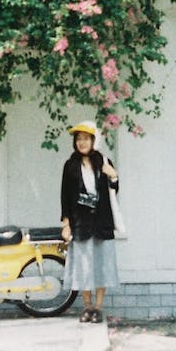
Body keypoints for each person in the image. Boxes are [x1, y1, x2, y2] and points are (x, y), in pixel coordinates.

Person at [60, 120, 121, 323]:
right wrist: (66, 224)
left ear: (94, 140)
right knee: (83, 267)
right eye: (78, 139)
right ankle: (87, 307)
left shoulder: (104, 161)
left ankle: (98, 307)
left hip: (102, 222)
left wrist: (113, 176)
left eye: (86, 138)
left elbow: (114, 188)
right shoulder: (70, 165)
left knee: (101, 265)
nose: (82, 142)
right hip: (81, 223)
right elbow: (65, 196)